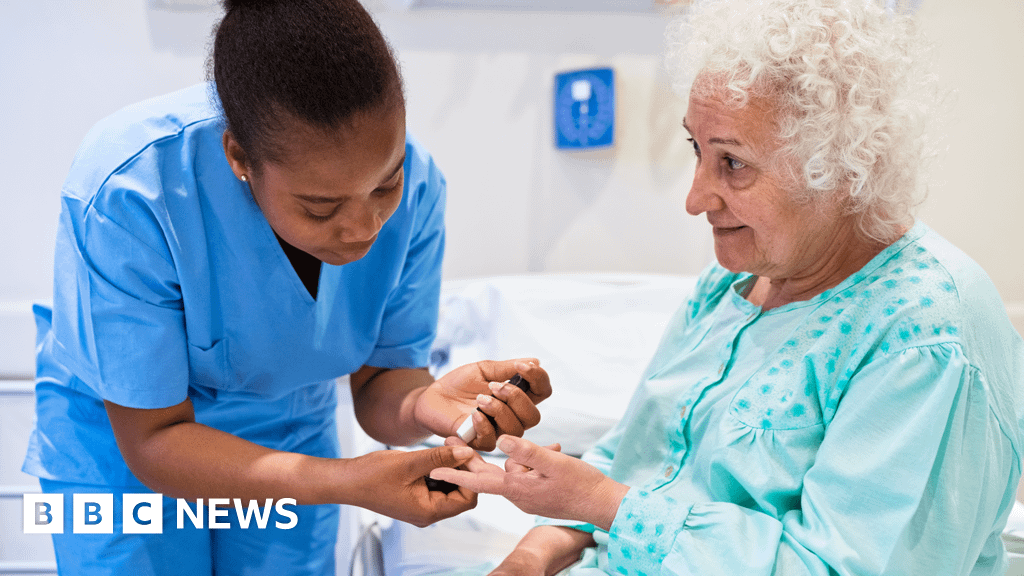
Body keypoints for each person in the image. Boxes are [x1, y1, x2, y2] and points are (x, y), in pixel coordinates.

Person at [430, 0, 1024, 574]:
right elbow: (629, 465)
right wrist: (529, 559)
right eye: (697, 149)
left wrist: (604, 504)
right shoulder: (735, 284)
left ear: (841, 169)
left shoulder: (925, 338)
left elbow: (840, 567)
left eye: (732, 163)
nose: (694, 200)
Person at [21, 0, 551, 574]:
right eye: (320, 207)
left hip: (289, 428)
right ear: (239, 159)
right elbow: (154, 439)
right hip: (124, 449)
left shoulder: (419, 185)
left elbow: (378, 385)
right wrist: (344, 481)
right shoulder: (130, 191)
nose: (364, 227)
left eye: (385, 185)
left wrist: (426, 403)